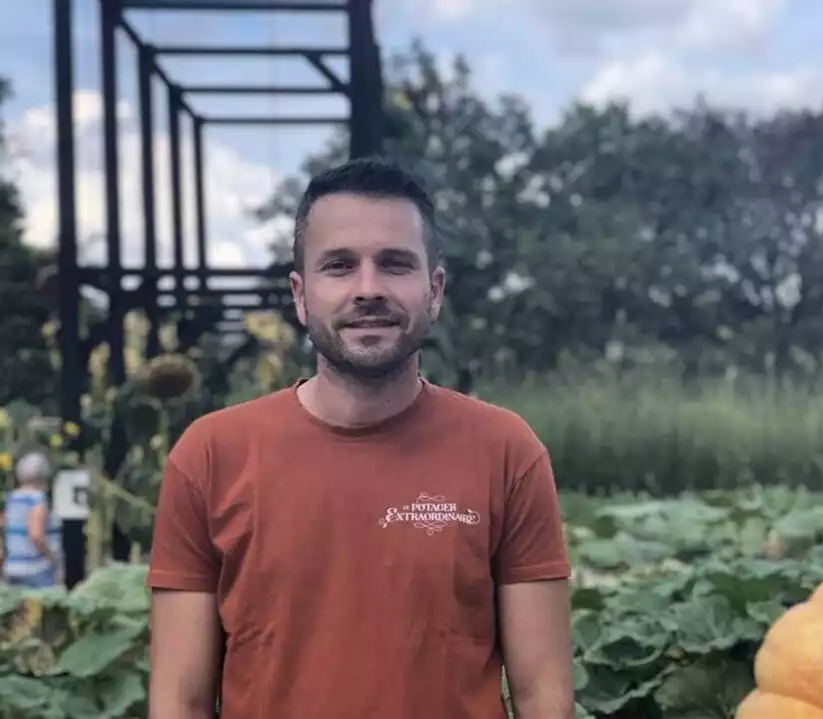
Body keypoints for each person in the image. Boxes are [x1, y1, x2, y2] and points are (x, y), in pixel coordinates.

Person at [146, 157, 575, 718]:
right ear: (301, 295)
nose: (368, 289)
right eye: (340, 266)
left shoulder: (505, 450)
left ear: (435, 289)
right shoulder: (210, 456)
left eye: (395, 264)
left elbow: (544, 695)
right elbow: (181, 699)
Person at [3, 452, 63, 588]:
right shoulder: (37, 499)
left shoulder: (13, 498)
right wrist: (51, 557)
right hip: (35, 568)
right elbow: (36, 535)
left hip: (13, 566)